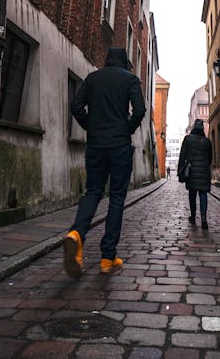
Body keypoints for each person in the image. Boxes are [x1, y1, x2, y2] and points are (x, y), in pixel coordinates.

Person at [63, 47, 146, 278]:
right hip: (119, 146)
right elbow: (140, 110)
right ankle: (107, 258)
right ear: (124, 63)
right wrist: (126, 129)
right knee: (117, 198)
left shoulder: (92, 78)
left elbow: (76, 107)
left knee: (93, 192)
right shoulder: (130, 79)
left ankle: (76, 234)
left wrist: (91, 127)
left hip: (96, 145)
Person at [177, 119, 212, 229]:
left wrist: (180, 170)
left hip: (191, 171)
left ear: (193, 128)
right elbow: (210, 158)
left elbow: (182, 155)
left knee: (192, 194)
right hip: (204, 171)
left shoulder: (188, 139)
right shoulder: (207, 142)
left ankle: (193, 216)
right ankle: (203, 218)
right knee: (203, 194)